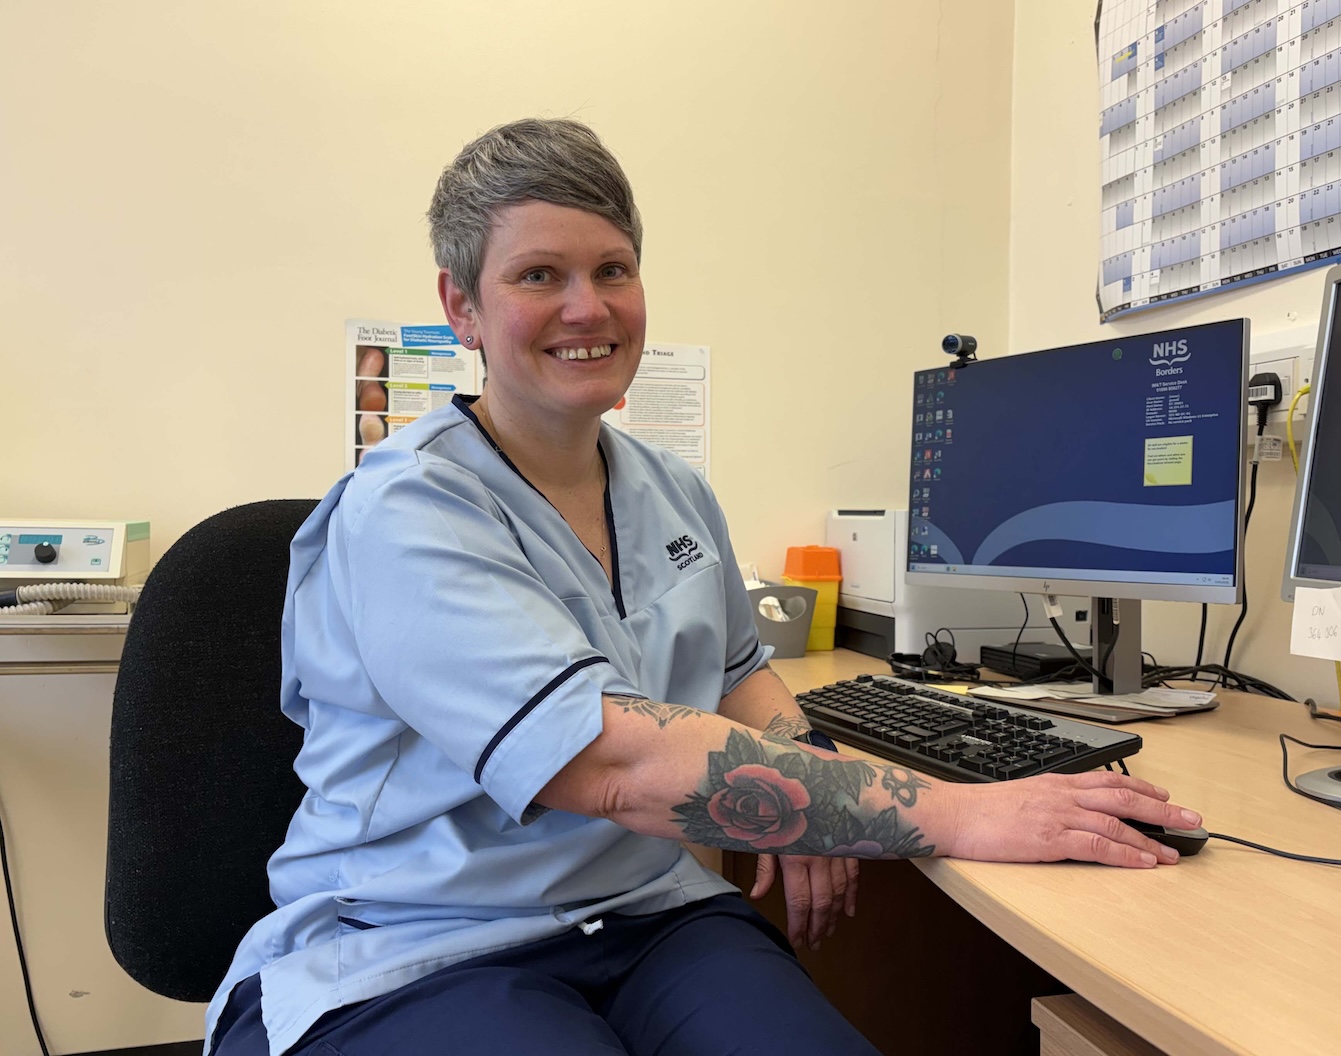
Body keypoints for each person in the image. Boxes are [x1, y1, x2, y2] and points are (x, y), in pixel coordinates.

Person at [206, 118, 1204, 1056]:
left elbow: (738, 674)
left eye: (613, 270)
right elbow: (611, 764)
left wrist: (811, 780)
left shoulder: (670, 490)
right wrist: (947, 811)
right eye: (539, 275)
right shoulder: (407, 512)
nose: (587, 307)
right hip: (416, 941)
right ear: (461, 304)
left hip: (648, 913)